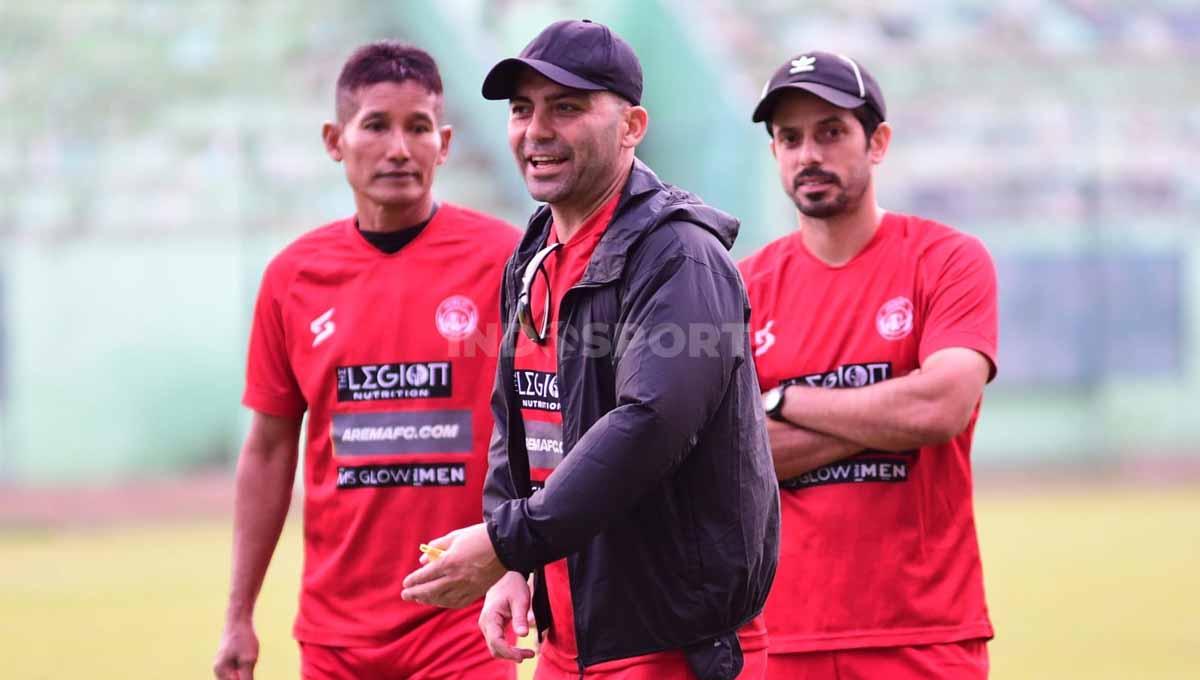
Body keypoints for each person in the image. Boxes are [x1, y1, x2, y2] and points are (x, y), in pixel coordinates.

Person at [399, 19, 780, 680]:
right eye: (522, 109)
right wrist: (516, 563)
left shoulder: (680, 255)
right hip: (567, 644)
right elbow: (518, 419)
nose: (535, 130)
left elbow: (647, 425)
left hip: (667, 649)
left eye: (566, 107)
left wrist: (503, 540)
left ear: (632, 126)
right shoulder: (535, 250)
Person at [212, 42, 521, 680]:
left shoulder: (506, 262)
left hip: (465, 623)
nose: (399, 148)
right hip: (337, 637)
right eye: (376, 125)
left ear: (446, 141)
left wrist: (522, 562)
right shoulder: (293, 278)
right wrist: (239, 612)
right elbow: (269, 449)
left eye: (419, 127)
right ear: (335, 139)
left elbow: (545, 422)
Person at [737, 51, 998, 679]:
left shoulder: (948, 260)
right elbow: (732, 454)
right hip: (778, 638)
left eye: (831, 132)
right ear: (774, 152)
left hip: (926, 635)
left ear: (876, 142)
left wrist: (782, 400)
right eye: (790, 138)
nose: (809, 155)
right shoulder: (741, 287)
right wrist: (885, 413)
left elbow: (940, 407)